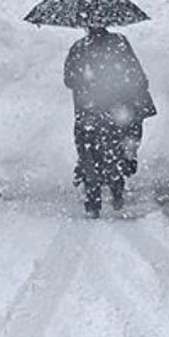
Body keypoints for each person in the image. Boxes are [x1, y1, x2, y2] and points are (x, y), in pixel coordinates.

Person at [64, 25, 155, 217]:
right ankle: (116, 189)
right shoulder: (120, 43)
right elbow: (136, 75)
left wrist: (87, 82)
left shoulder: (79, 47)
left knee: (89, 153)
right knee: (114, 150)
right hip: (116, 111)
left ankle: (93, 200)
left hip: (88, 112)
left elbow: (69, 80)